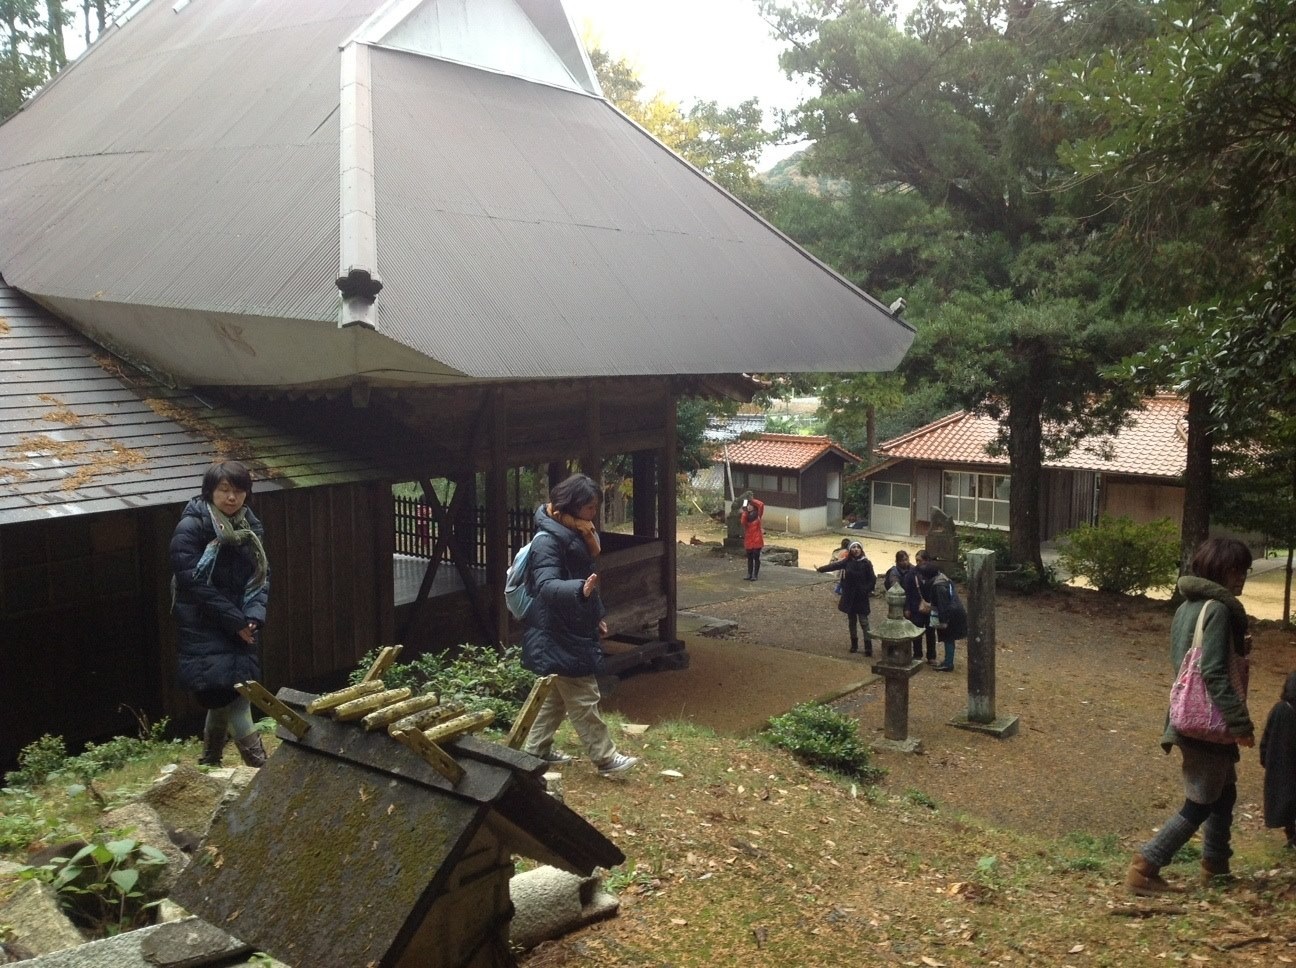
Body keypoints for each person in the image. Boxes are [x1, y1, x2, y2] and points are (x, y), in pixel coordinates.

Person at [1126, 537, 1255, 895]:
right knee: (1199, 802)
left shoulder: (1188, 607)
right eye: (1234, 570)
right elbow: (1212, 672)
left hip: (1189, 715)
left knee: (1223, 792)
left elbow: (1188, 662)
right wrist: (1240, 722)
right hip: (1209, 723)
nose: (1241, 577)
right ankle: (1145, 866)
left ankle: (1216, 865)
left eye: (1243, 570)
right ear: (1217, 569)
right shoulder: (1218, 609)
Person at [519, 473, 638, 778]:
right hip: (557, 630)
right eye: (589, 508)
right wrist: (578, 591)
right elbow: (546, 585)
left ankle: (535, 751)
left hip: (569, 626)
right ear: (571, 506)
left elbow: (588, 582)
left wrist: (593, 613)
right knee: (584, 696)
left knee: (558, 699)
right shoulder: (547, 540)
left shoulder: (576, 534)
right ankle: (606, 759)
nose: (594, 514)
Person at [170, 460, 270, 768]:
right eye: (224, 490)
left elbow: (262, 574)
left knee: (225, 693)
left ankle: (210, 762)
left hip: (238, 622)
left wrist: (252, 615)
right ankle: (260, 770)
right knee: (236, 696)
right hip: (204, 624)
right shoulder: (192, 527)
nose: (231, 498)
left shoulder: (248, 526)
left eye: (239, 491)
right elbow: (193, 583)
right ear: (210, 491)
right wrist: (236, 622)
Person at [817, 541, 876, 656]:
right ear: (850, 550)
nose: (856, 549)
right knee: (852, 621)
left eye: (858, 547)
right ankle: (854, 645)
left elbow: (872, 579)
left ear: (861, 549)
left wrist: (866, 590)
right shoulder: (847, 561)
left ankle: (868, 647)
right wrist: (821, 569)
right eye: (853, 547)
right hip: (850, 596)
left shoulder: (866, 563)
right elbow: (834, 566)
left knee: (864, 622)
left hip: (861, 596)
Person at [1260, 670, 1296, 850]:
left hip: (1279, 768)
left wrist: (1265, 758)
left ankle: (1291, 836)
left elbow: (1266, 737)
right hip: (1288, 767)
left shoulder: (1278, 709)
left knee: (1285, 805)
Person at [914, 559, 967, 671]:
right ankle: (948, 661)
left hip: (950, 613)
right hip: (955, 611)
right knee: (949, 638)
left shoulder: (938, 586)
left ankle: (948, 664)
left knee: (948, 638)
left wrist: (943, 621)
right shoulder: (944, 579)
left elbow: (943, 605)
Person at [903, 549, 937, 662]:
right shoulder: (911, 574)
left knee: (930, 632)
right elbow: (907, 592)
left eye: (920, 560)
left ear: (926, 561)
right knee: (916, 632)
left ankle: (931, 656)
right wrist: (907, 608)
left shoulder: (933, 573)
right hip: (915, 606)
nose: (918, 563)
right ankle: (917, 654)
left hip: (929, 605)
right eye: (916, 561)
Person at [740, 494, 765, 581]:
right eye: (748, 505)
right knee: (749, 558)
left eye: (751, 505)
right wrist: (744, 507)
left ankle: (755, 575)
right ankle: (749, 574)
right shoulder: (746, 516)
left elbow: (761, 504)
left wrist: (751, 500)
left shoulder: (758, 515)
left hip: (757, 539)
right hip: (749, 540)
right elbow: (742, 522)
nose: (749, 507)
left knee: (756, 557)